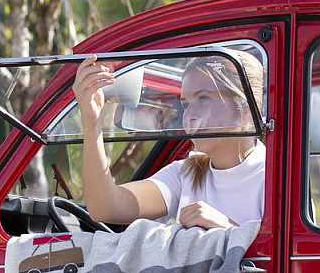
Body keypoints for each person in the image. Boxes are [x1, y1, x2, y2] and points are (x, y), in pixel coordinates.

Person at [73, 51, 265, 230]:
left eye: (204, 99)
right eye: (185, 104)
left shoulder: (275, 177)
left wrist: (226, 227)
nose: (190, 115)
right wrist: (91, 120)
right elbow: (105, 207)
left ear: (247, 106)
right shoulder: (187, 172)